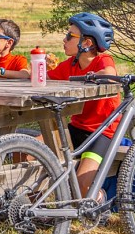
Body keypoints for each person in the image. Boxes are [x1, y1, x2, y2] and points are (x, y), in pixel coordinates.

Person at [45, 12, 121, 202]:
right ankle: (35, 211)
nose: (64, 39)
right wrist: (0, 72)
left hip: (102, 133)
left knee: (82, 187)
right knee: (26, 152)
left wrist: (91, 76)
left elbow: (110, 73)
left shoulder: (102, 61)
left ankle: (100, 201)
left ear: (86, 43)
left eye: (70, 36)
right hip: (76, 128)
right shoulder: (69, 65)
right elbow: (43, 77)